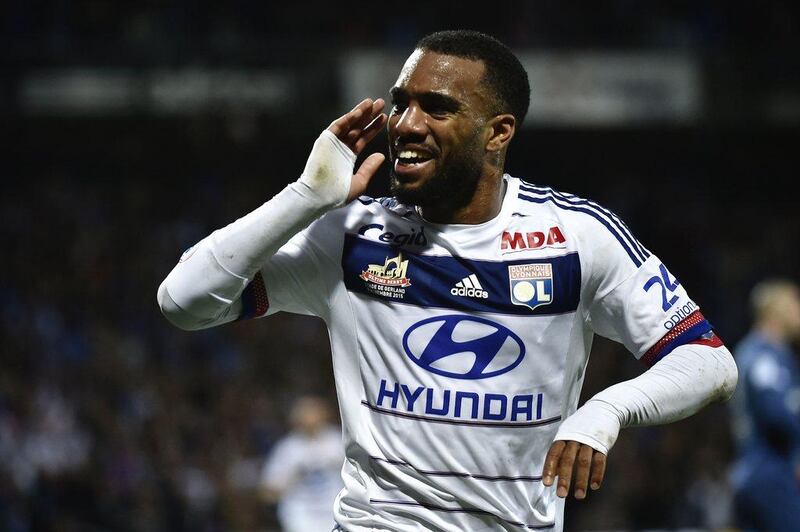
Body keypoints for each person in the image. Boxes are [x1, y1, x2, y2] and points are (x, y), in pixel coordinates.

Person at [158, 30, 738, 531]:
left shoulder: (574, 237)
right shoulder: (349, 236)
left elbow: (708, 361)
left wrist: (607, 411)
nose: (405, 125)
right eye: (400, 103)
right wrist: (304, 198)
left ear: (498, 132)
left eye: (436, 107)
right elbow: (182, 302)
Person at [730, 280, 800, 530]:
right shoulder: (763, 355)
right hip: (769, 475)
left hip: (754, 473)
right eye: (794, 303)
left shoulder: (767, 354)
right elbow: (775, 413)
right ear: (775, 310)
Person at [260, 396, 344, 532]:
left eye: (313, 411)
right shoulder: (287, 448)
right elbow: (267, 493)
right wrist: (291, 479)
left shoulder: (338, 441)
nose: (309, 418)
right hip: (301, 518)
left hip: (336, 516)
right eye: (305, 413)